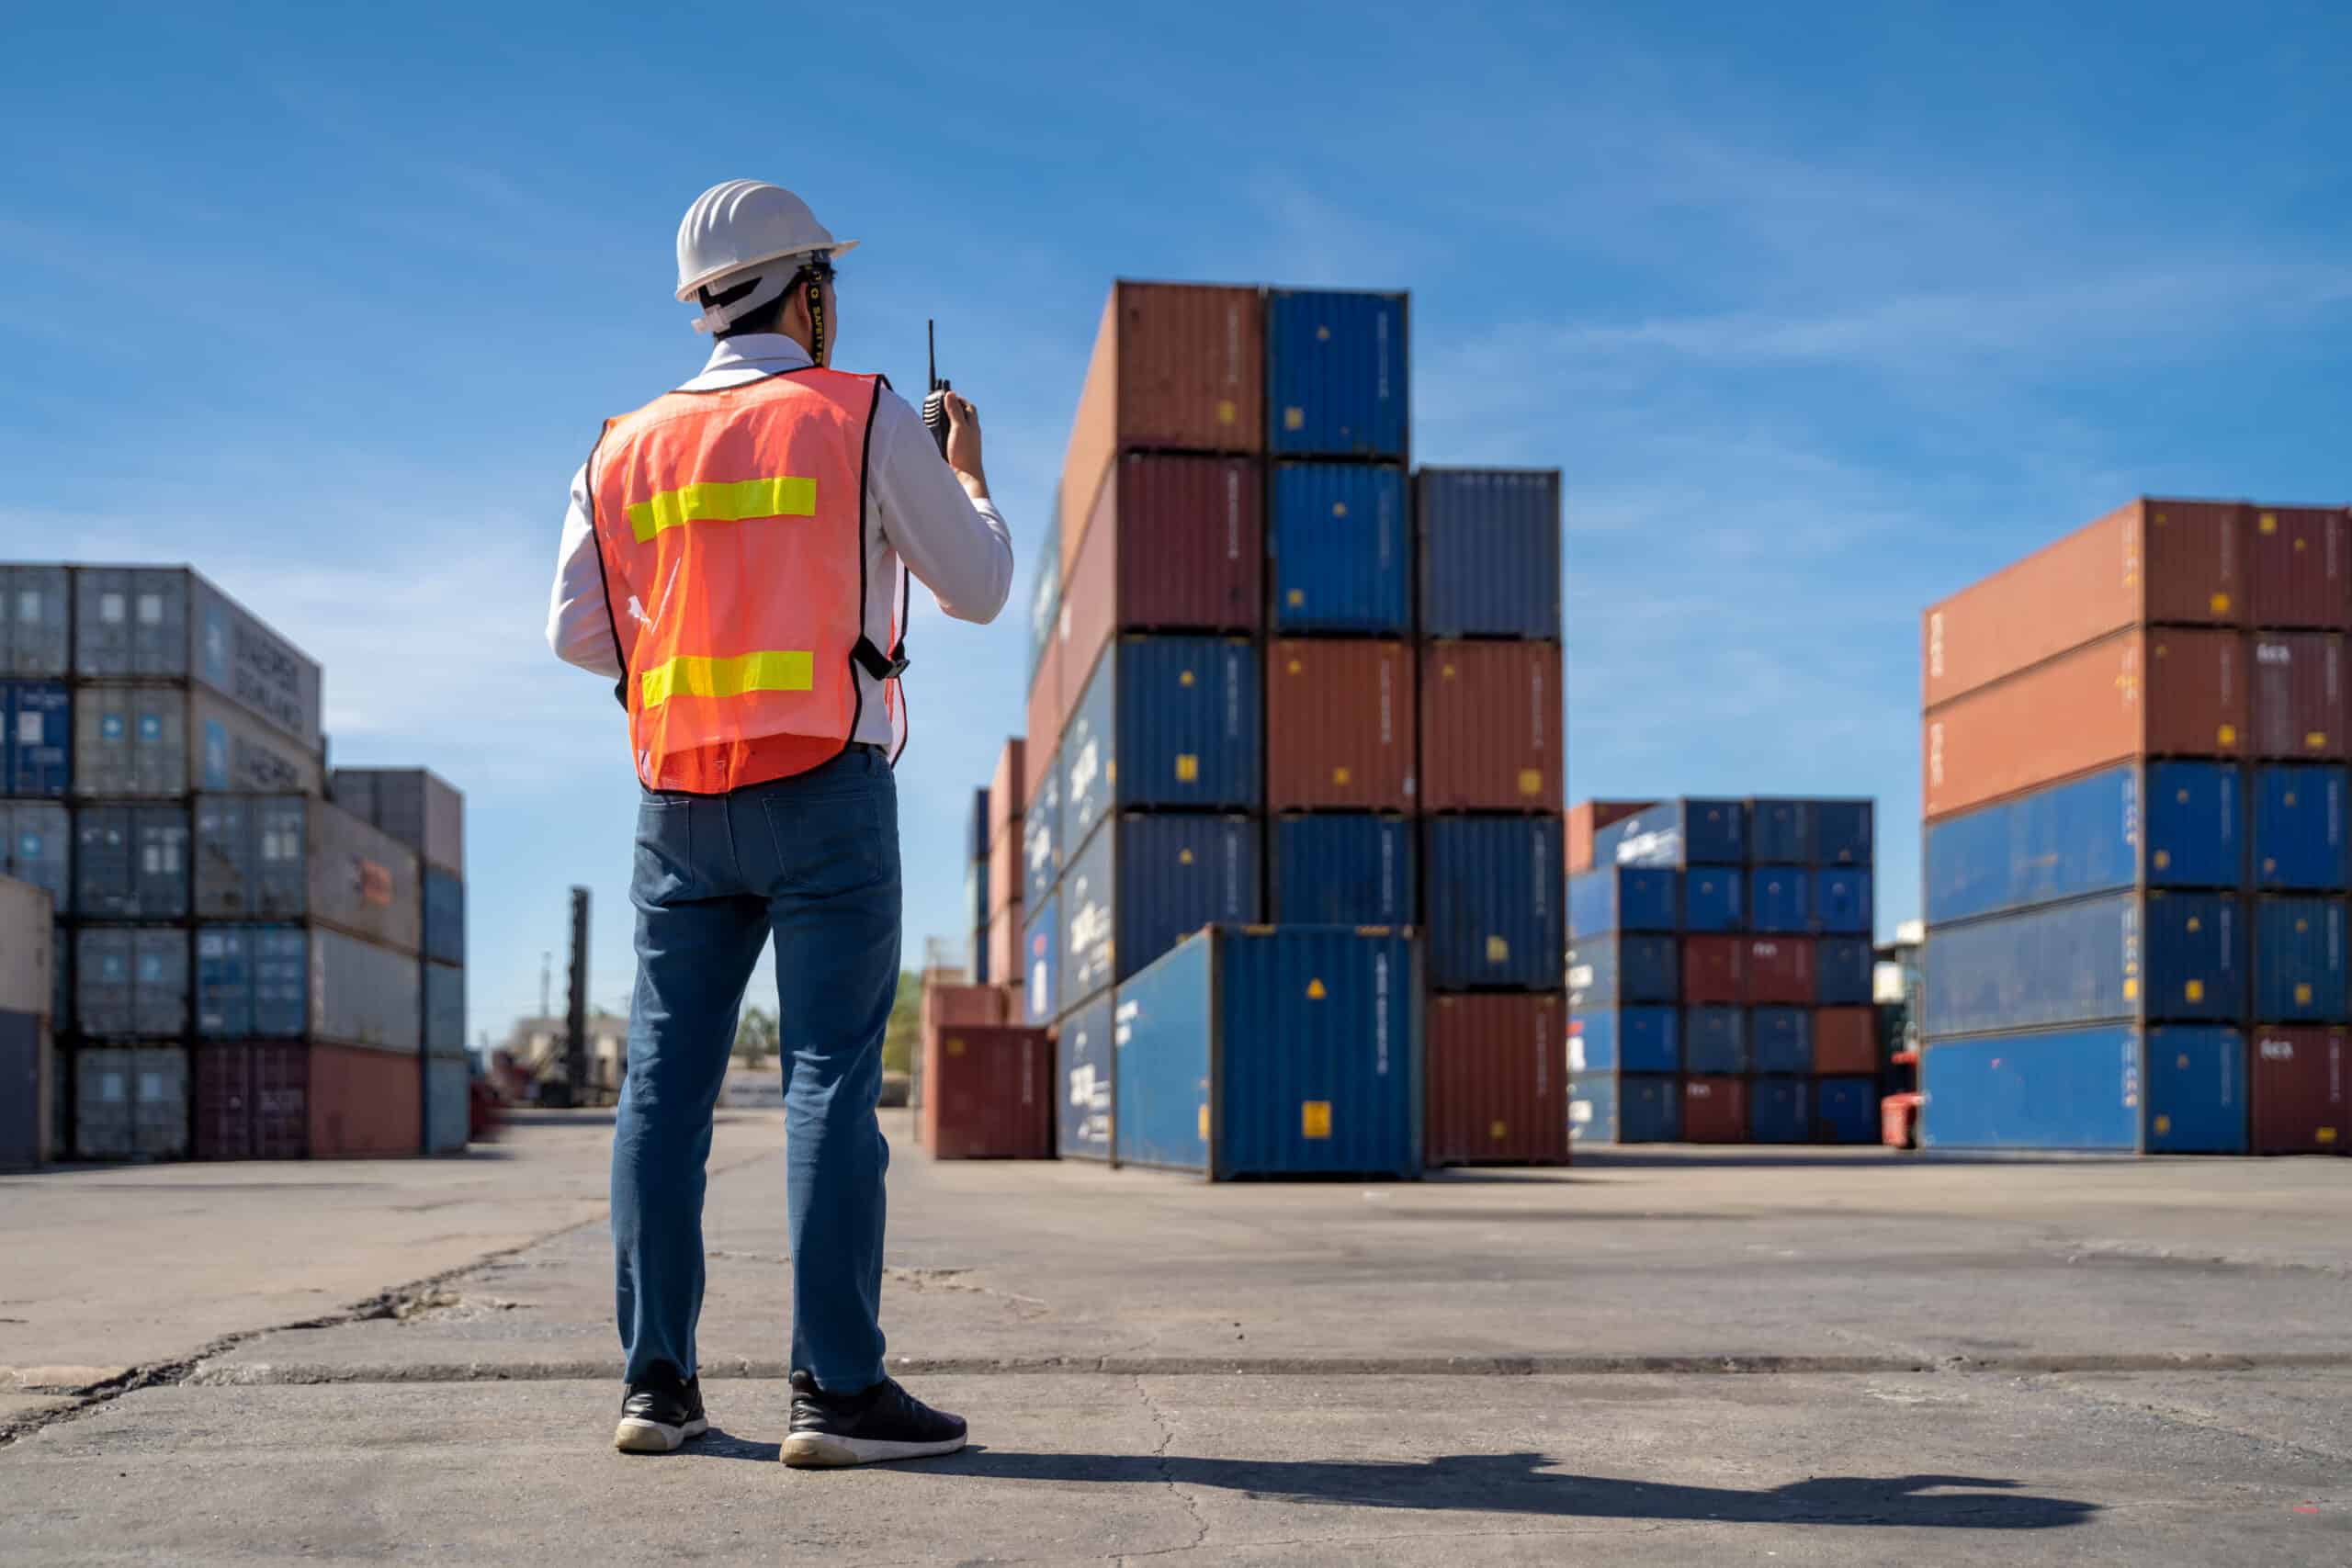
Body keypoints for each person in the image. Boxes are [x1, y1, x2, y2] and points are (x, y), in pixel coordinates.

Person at [546, 179, 1012, 1467]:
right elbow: (972, 588)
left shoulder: (617, 445)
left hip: (679, 804)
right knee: (826, 1086)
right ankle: (837, 1393)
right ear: (804, 290)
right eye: (830, 286)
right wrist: (967, 479)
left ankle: (656, 1389)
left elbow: (578, 637)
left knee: (662, 1096)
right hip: (825, 796)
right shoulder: (856, 410)